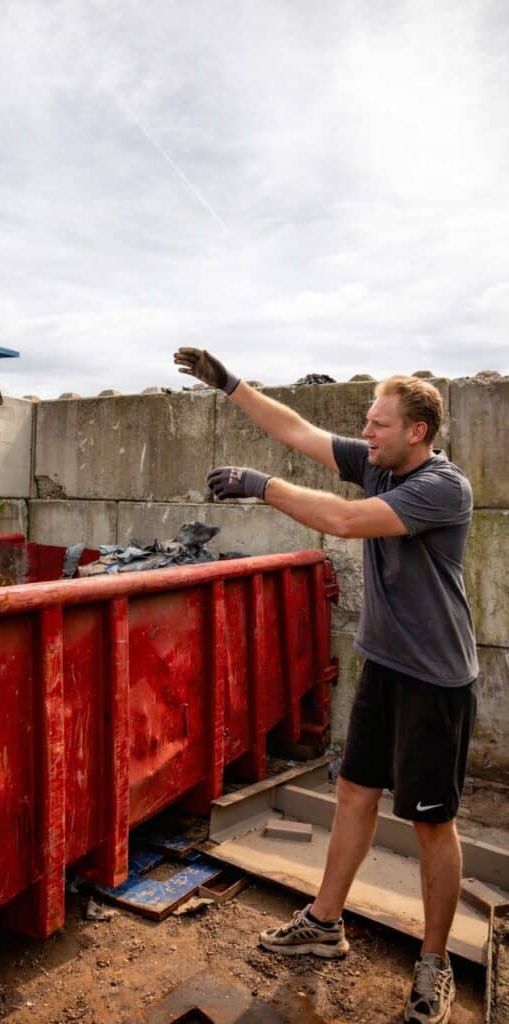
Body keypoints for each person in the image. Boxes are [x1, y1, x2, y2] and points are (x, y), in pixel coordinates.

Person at [174, 347, 478, 1024]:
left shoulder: (440, 488)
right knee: (353, 795)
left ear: (416, 432)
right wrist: (229, 384)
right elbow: (295, 432)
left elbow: (342, 521)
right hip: (384, 665)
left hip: (435, 681)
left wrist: (262, 486)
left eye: (377, 425)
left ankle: (434, 961)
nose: (365, 435)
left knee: (431, 823)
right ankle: (323, 923)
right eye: (366, 426)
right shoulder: (379, 463)